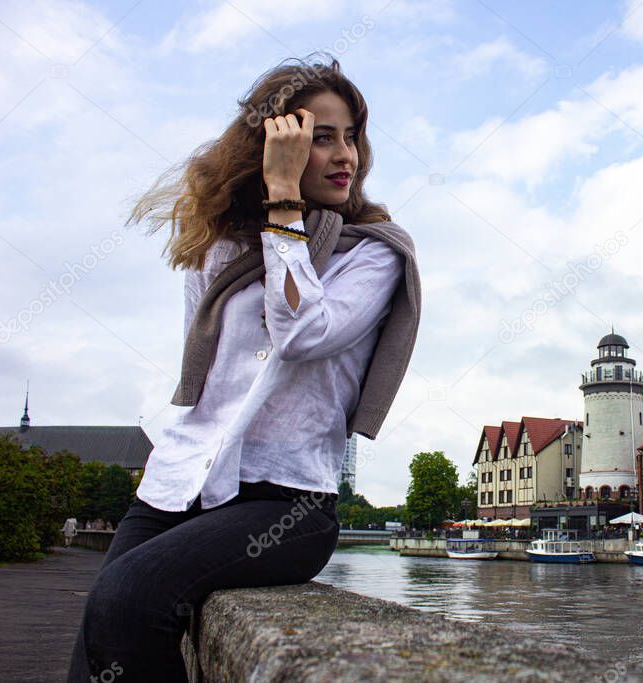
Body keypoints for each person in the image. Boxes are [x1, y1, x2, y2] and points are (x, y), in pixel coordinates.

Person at [67, 55, 421, 682]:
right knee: (99, 633)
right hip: (179, 481)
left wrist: (285, 201)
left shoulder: (373, 253)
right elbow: (202, 374)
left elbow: (302, 334)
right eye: (321, 138)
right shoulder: (221, 248)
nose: (348, 157)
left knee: (129, 601)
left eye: (353, 138)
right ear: (272, 145)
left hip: (284, 503)